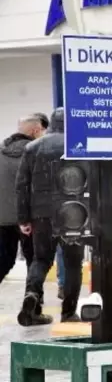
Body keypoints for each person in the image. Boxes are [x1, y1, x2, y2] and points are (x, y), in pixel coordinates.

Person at [15, 107, 85, 326]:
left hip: (41, 214)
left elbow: (21, 185)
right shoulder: (79, 145)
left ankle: (32, 298)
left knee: (41, 259)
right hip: (73, 213)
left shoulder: (33, 147)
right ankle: (69, 312)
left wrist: (24, 218)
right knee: (73, 263)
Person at [0, 115, 45, 284]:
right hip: (29, 218)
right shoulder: (37, 152)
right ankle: (33, 304)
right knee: (35, 262)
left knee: (4, 261)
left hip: (3, 219)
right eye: (41, 130)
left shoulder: (1, 150)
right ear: (35, 131)